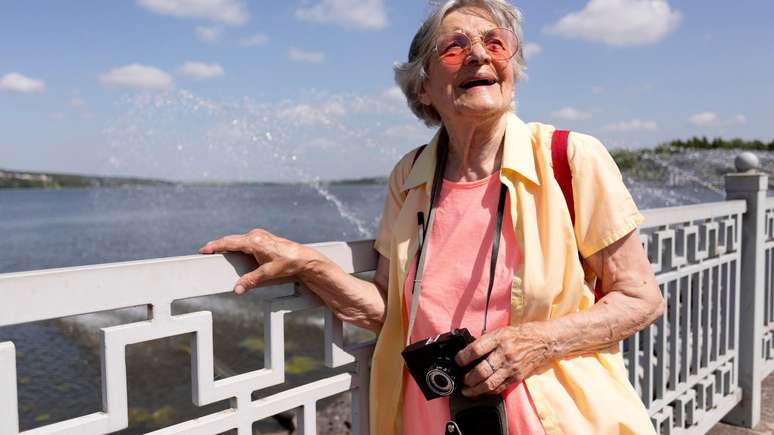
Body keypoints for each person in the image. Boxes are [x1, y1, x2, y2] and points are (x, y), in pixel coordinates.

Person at [199, 0, 665, 433]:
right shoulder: (409, 175)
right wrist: (310, 265)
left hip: (556, 419)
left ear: (512, 68)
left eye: (494, 42)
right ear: (423, 87)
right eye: (454, 47)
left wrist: (537, 342)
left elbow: (641, 299)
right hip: (434, 418)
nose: (479, 56)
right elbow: (391, 311)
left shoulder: (571, 157)